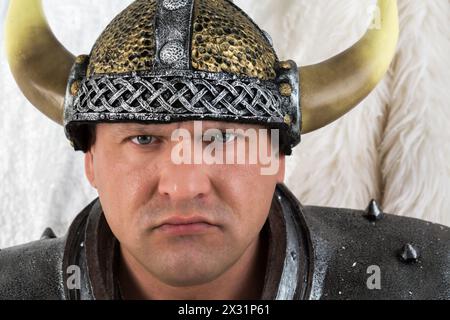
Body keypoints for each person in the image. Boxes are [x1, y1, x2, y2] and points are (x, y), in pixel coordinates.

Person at [0, 0, 448, 300]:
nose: (183, 184)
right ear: (91, 160)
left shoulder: (429, 281)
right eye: (143, 138)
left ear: (275, 156)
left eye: (221, 138)